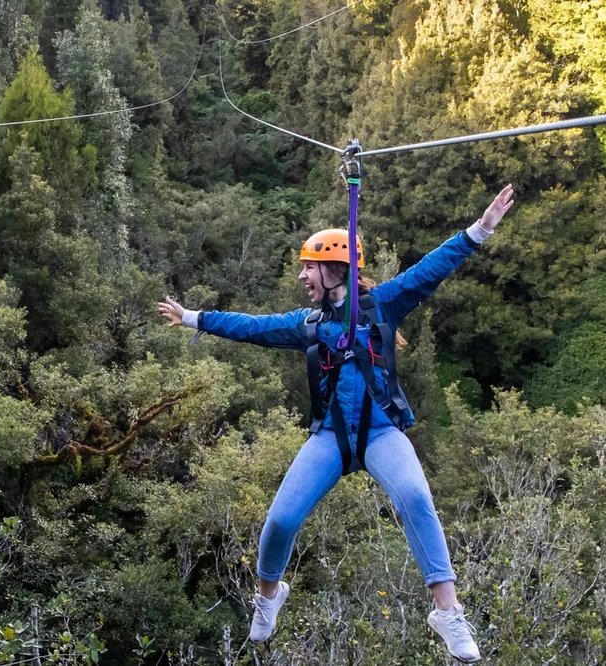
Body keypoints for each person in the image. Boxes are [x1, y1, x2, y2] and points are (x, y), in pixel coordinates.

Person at [158, 185, 515, 663]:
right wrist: (194, 318)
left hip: (382, 433)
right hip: (330, 438)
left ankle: (447, 612)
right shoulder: (306, 324)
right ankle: (269, 595)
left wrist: (481, 229)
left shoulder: (381, 305)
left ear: (335, 270)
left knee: (414, 497)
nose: (303, 275)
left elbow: (432, 270)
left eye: (310, 266)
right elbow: (252, 327)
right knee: (281, 520)